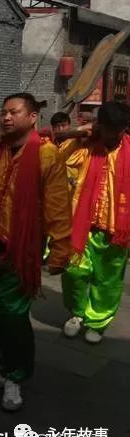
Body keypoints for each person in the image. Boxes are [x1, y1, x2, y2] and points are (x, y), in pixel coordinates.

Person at [0, 92, 72, 412]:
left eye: (14, 112)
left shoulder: (47, 155)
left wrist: (60, 250)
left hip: (22, 245)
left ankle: (16, 374)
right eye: (3, 112)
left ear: (33, 117)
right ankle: (6, 366)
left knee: (14, 314)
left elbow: (58, 205)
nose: (6, 117)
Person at [62, 101, 130, 344]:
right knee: (73, 272)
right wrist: (77, 134)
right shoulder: (85, 147)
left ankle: (97, 321)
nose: (112, 133)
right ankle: (77, 313)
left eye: (117, 129)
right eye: (108, 127)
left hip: (115, 231)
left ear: (124, 128)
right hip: (81, 227)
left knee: (108, 281)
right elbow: (57, 158)